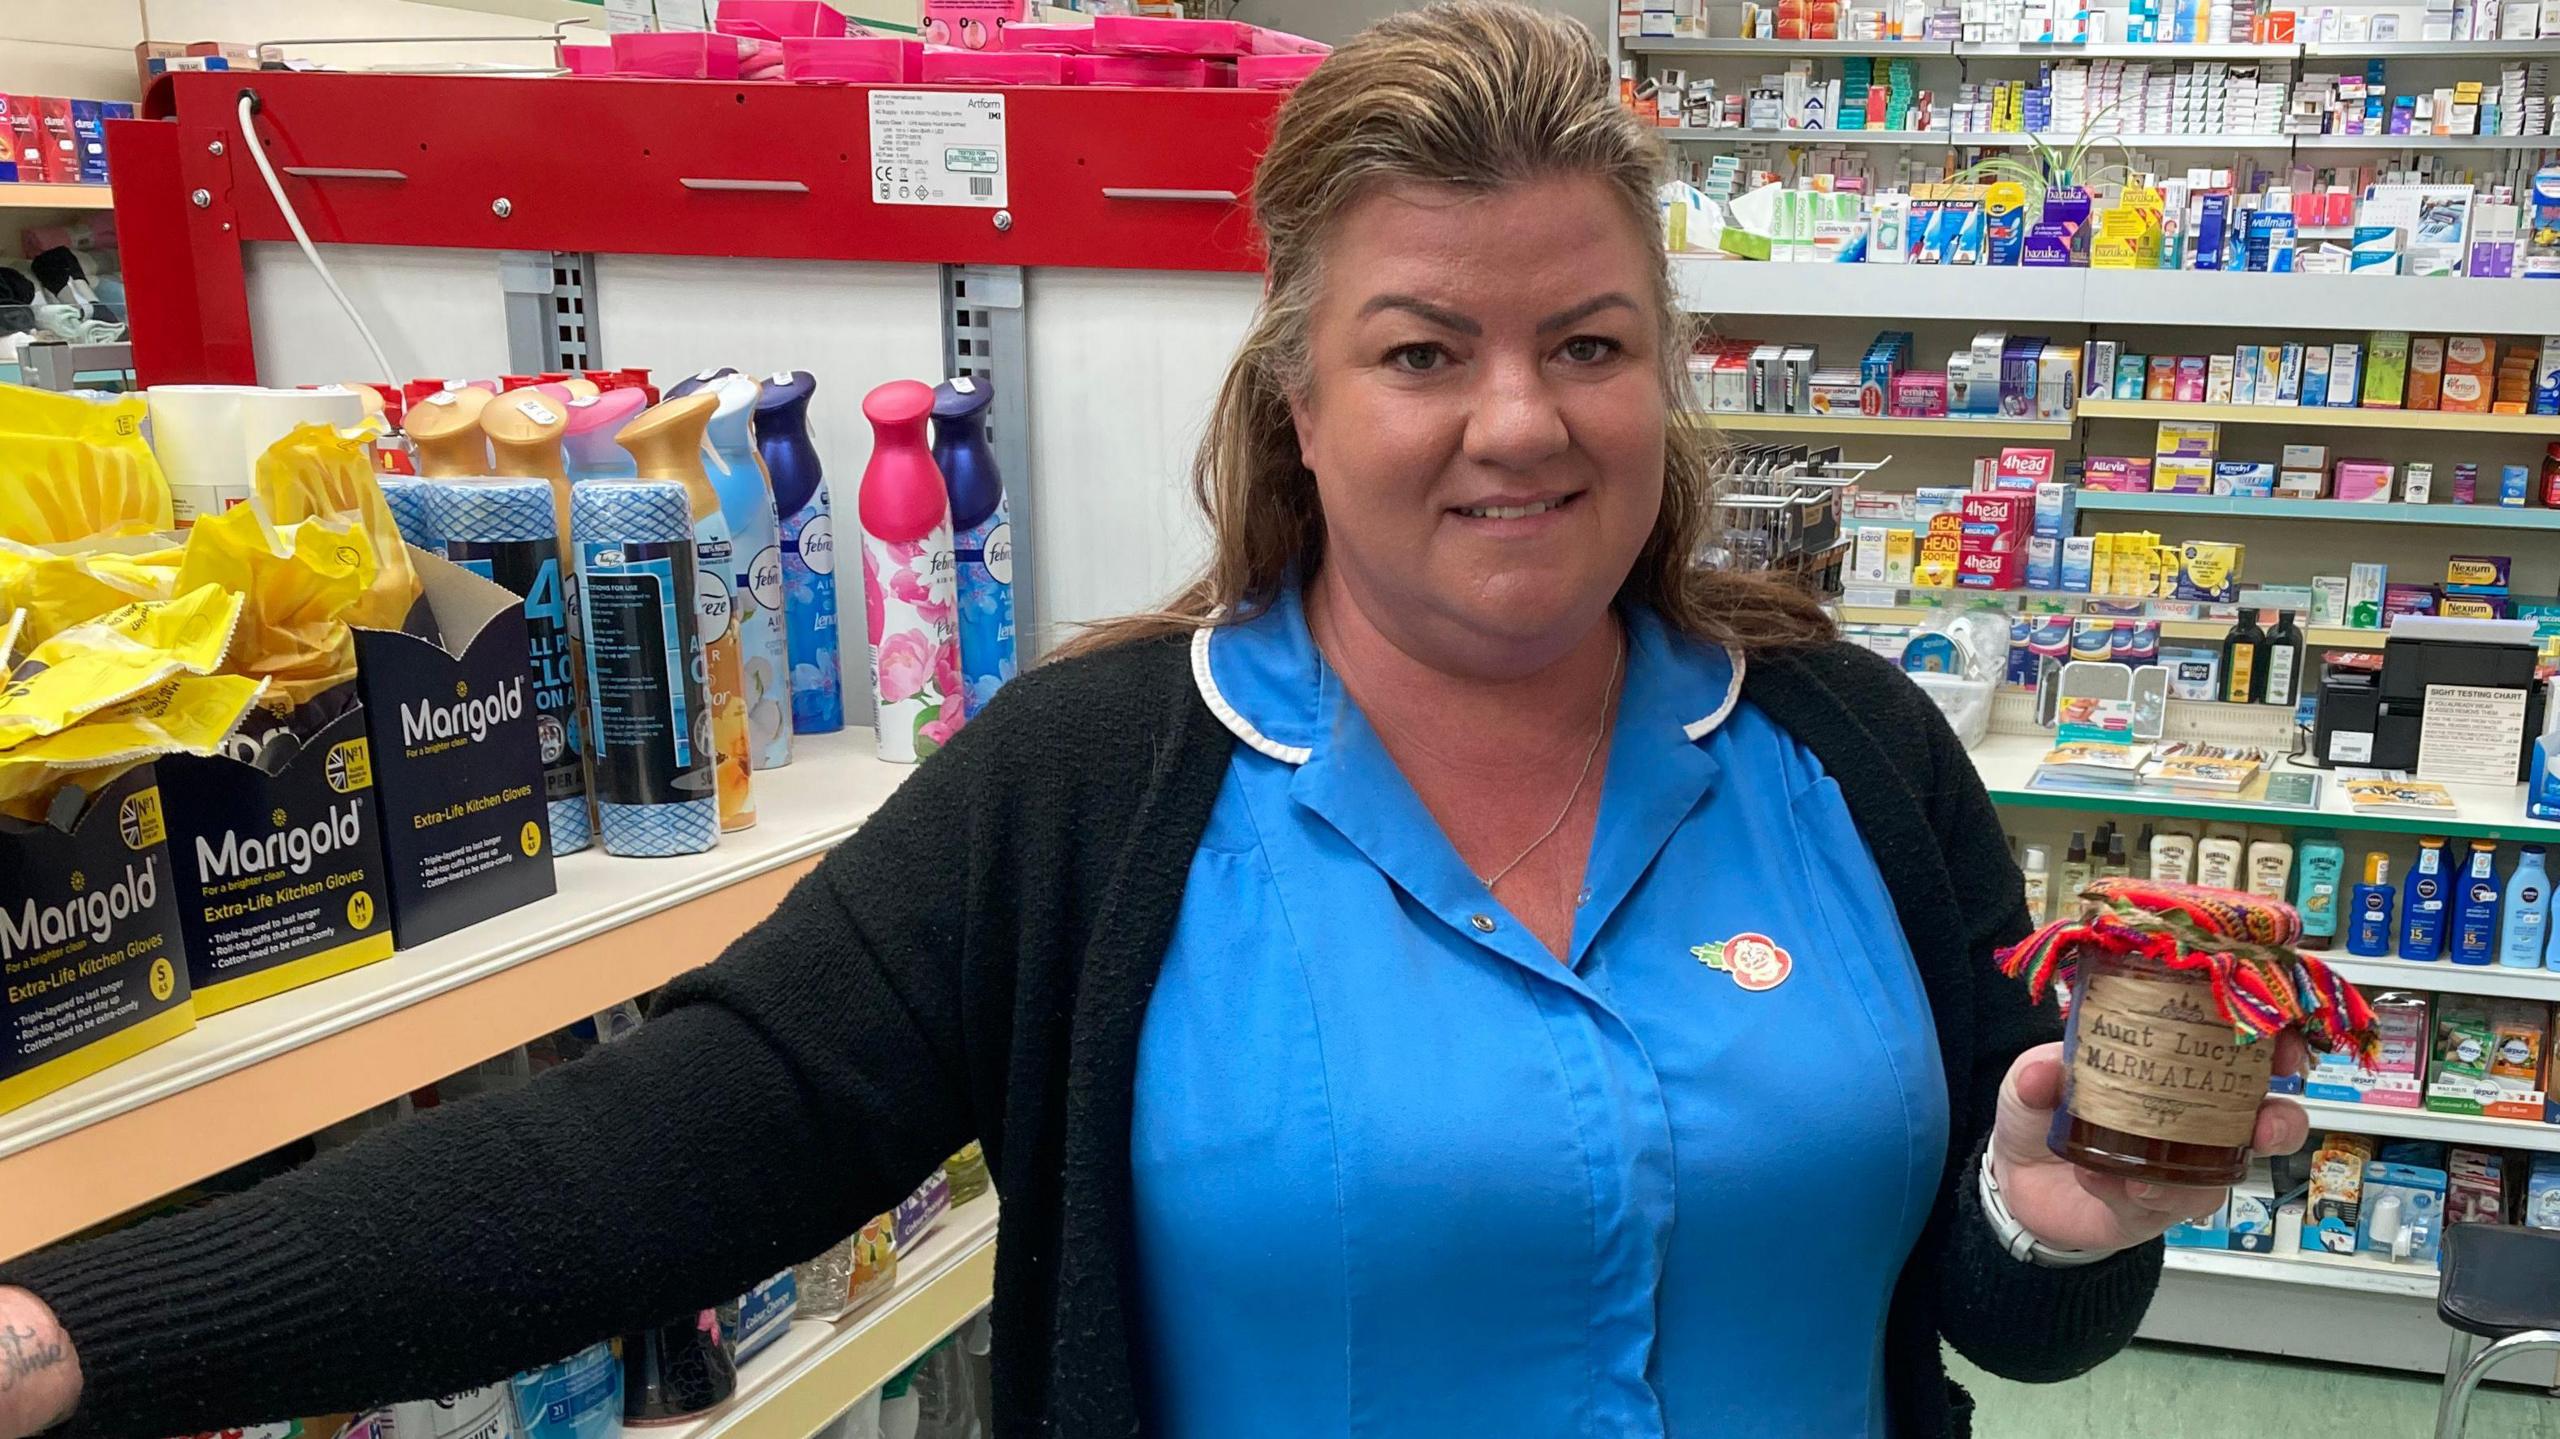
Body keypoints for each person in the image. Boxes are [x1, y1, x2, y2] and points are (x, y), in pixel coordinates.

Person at [0, 5, 2307, 1436]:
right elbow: (671, 1140)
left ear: (1659, 372)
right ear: (1299, 396)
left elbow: (2003, 1326)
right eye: (1423, 350)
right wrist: (72, 1331)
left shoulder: (1849, 755)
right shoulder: (1096, 790)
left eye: (1585, 342)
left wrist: (2061, 1217)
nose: (1519, 423)